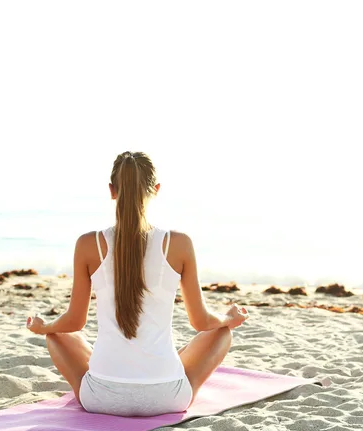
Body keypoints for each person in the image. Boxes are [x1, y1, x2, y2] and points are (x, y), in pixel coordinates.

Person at [26, 151, 248, 416]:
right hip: (167, 397)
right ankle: (156, 369)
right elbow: (201, 322)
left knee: (58, 334)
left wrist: (44, 327)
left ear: (112, 190)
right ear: (156, 190)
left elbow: (74, 322)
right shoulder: (179, 244)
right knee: (221, 333)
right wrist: (228, 318)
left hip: (102, 398)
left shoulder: (88, 244)